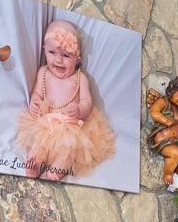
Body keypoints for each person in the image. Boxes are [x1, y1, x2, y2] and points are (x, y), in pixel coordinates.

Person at [17, 18, 116, 180]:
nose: (58, 60)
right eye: (52, 53)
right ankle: (34, 163)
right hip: (45, 123)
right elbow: (37, 94)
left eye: (66, 55)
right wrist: (34, 102)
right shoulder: (44, 72)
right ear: (44, 50)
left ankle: (57, 169)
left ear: (78, 58)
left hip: (71, 126)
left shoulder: (80, 78)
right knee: (38, 144)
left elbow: (87, 102)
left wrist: (79, 110)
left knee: (69, 149)